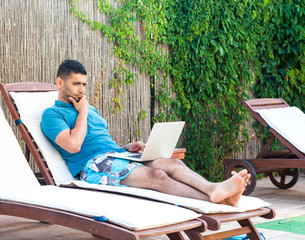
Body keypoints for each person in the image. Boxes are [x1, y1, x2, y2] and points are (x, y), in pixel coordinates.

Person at [41, 59, 250, 207]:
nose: (81, 90)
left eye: (84, 84)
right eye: (76, 84)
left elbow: (101, 142)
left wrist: (127, 148)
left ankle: (214, 189)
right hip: (92, 166)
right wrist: (83, 112)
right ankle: (218, 199)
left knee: (173, 163)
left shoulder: (87, 109)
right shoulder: (52, 115)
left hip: (115, 155)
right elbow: (74, 145)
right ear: (60, 83)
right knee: (157, 176)